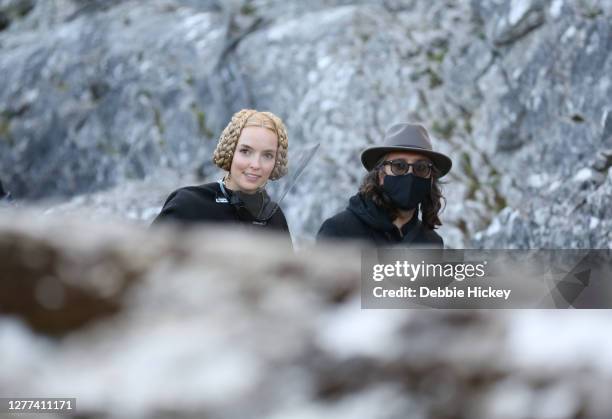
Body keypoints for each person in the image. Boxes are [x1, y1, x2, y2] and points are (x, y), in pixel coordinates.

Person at [152, 109, 292, 244]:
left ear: (276, 162)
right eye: (245, 151)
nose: (256, 164)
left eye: (267, 155)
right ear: (229, 151)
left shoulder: (275, 217)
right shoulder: (188, 205)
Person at [317, 122, 452, 248]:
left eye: (421, 168)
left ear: (430, 178)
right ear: (381, 175)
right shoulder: (340, 232)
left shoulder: (432, 243)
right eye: (399, 166)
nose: (410, 175)